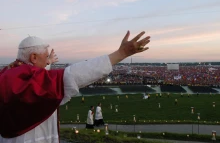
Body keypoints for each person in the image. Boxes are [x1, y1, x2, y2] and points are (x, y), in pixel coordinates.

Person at [0, 30, 150, 143]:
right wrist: (120, 54)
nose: (47, 62)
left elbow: (38, 77)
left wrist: (48, 62)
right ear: (33, 57)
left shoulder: (10, 73)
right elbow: (72, 75)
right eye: (45, 57)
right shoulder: (29, 78)